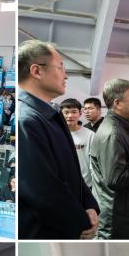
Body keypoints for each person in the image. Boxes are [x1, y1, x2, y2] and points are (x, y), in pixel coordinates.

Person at [18, 40, 99, 239]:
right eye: (61, 67)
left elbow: (72, 172)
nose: (66, 75)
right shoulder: (27, 120)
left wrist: (89, 204)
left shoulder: (50, 114)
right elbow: (43, 191)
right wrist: (81, 222)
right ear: (37, 71)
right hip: (48, 232)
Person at [90, 78, 129, 239]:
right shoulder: (113, 134)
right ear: (117, 103)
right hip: (117, 220)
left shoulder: (121, 128)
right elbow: (116, 179)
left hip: (123, 213)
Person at [60, 98, 96, 195]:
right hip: (63, 185)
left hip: (86, 185)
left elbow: (94, 163)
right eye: (66, 112)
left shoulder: (90, 135)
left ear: (80, 113)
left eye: (74, 112)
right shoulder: (56, 134)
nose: (70, 115)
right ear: (61, 114)